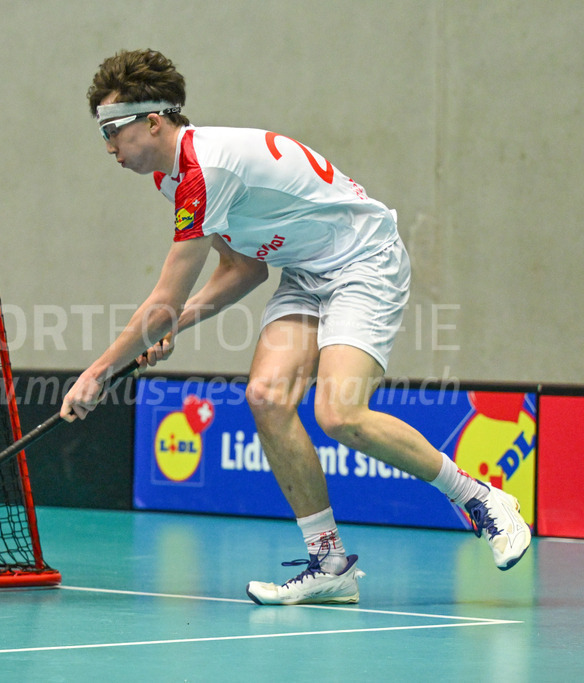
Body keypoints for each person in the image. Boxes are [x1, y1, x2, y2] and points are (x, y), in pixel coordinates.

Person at [60, 49, 531, 605]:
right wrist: (177, 325)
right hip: (307, 271)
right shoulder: (174, 179)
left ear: (154, 120)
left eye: (114, 130)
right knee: (265, 395)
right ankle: (328, 562)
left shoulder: (209, 169)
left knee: (339, 413)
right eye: (102, 134)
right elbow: (245, 268)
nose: (109, 146)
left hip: (363, 260)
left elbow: (164, 297)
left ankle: (479, 498)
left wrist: (98, 370)